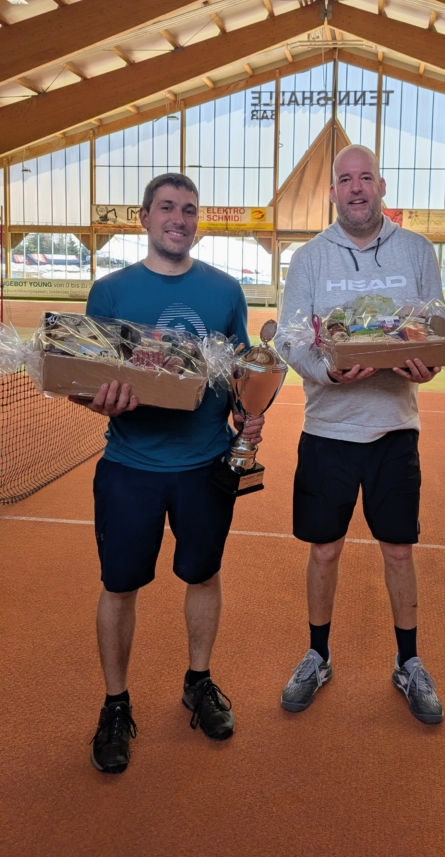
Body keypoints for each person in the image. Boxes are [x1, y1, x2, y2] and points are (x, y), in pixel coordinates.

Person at [75, 173, 264, 774]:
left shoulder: (225, 291)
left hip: (205, 465)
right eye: (166, 208)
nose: (178, 219)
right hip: (129, 467)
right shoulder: (110, 292)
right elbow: (87, 378)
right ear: (144, 218)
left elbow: (240, 375)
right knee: (119, 586)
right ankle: (115, 704)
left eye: (188, 209)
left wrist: (248, 414)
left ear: (197, 222)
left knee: (203, 575)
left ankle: (198, 682)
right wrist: (100, 401)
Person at [276, 145, 445, 724]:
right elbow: (290, 339)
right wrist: (327, 371)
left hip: (394, 428)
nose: (355, 188)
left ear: (381, 186)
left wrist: (429, 363)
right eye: (345, 179)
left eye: (365, 177)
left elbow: (435, 329)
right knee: (324, 550)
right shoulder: (309, 258)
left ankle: (408, 662)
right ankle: (317, 656)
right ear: (332, 192)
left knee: (398, 549)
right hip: (327, 429)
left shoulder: (417, 250)